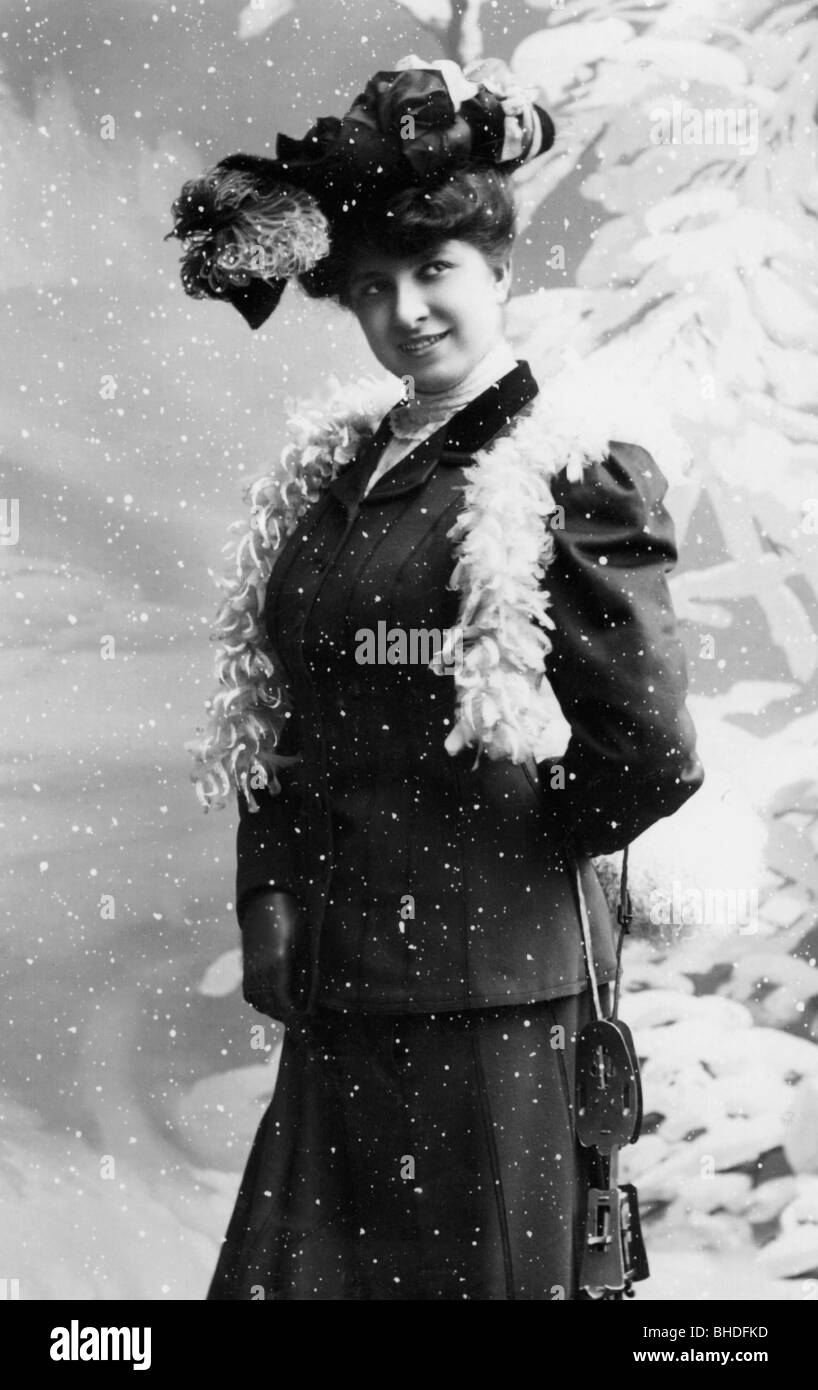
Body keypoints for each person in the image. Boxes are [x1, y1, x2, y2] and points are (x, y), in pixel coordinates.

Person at [167, 56, 705, 1301]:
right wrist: (270, 895)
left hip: (492, 1014)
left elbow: (651, 745)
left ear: (497, 273)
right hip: (343, 995)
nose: (408, 310)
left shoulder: (564, 475)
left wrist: (506, 852)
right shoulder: (331, 479)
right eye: (372, 288)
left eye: (435, 272)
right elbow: (284, 708)